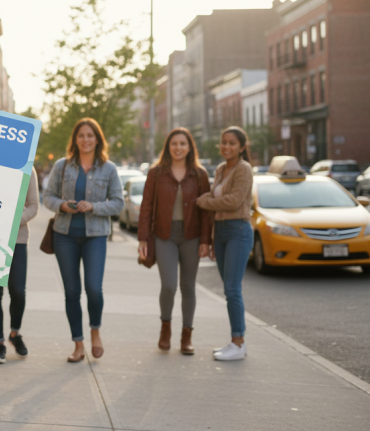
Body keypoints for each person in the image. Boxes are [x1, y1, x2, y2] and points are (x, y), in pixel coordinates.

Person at [43, 118, 123, 363]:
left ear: (97, 139)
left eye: (90, 135)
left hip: (95, 237)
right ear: (75, 140)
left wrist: (95, 206)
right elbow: (48, 196)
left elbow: (118, 203)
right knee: (72, 292)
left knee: (94, 289)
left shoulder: (108, 169)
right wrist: (62, 205)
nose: (86, 139)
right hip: (64, 236)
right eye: (81, 135)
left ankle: (95, 332)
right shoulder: (62, 166)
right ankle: (78, 344)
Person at [137, 128, 211, 355]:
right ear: (168, 147)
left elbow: (207, 211)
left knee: (188, 287)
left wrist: (206, 240)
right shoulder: (156, 173)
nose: (178, 148)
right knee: (168, 285)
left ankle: (186, 335)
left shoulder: (199, 174)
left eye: (183, 144)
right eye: (174, 144)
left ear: (190, 148)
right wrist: (142, 237)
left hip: (192, 235)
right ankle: (165, 327)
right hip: (164, 235)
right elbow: (147, 205)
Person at [196, 126, 254, 362]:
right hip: (220, 231)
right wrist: (209, 239)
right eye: (223, 142)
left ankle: (238, 343)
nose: (226, 147)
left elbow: (233, 201)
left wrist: (204, 202)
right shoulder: (221, 169)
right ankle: (234, 341)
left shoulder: (244, 169)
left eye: (232, 143)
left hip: (238, 230)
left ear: (241, 147)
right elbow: (215, 201)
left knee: (232, 289)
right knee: (228, 288)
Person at [0, 167, 38, 363]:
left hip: (17, 238)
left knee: (17, 291)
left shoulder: (28, 170)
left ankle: (15, 334)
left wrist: (14, 220)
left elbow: (34, 206)